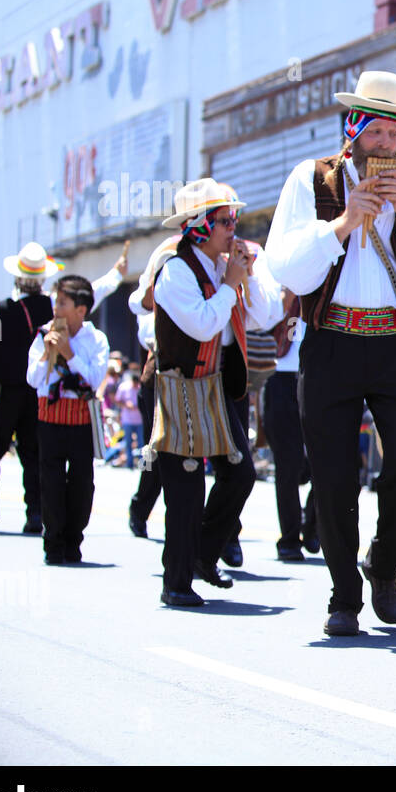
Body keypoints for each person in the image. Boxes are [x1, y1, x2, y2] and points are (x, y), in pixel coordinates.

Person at [265, 70, 396, 635]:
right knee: (333, 476)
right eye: (375, 132)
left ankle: (384, 565)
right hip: (330, 342)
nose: (385, 145)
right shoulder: (311, 179)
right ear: (352, 130)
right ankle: (343, 595)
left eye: (393, 134)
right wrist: (342, 223)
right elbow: (286, 266)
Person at [149, 179, 282, 607]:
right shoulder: (174, 269)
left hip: (224, 386)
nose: (233, 229)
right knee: (185, 489)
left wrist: (250, 273)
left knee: (240, 474)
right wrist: (230, 283)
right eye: (225, 221)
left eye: (233, 220)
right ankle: (177, 582)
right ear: (199, 225)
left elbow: (263, 316)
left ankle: (204, 556)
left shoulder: (226, 267)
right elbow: (203, 324)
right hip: (184, 387)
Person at [0, 242, 124, 530]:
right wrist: (116, 275)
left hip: (7, 389)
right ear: (42, 279)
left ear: (18, 278)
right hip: (40, 393)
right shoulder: (56, 308)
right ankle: (35, 513)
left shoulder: (0, 310)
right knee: (33, 451)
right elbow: (95, 291)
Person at [25, 275, 109, 565]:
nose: (56, 308)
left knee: (82, 485)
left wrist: (69, 354)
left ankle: (74, 540)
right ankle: (53, 543)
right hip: (49, 420)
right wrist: (48, 352)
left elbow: (94, 379)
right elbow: (33, 379)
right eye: (56, 301)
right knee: (51, 484)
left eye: (62, 303)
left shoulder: (96, 340)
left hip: (81, 422)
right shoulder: (42, 335)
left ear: (81, 310)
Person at [126, 236, 180, 540]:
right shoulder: (150, 303)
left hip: (194, 380)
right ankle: (140, 506)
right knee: (155, 451)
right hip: (157, 382)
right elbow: (148, 332)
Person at [261, 288, 320, 562]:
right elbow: (261, 324)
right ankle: (289, 538)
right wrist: (285, 297)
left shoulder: (326, 286)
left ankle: (313, 526)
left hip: (319, 380)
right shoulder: (275, 285)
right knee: (289, 466)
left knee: (329, 462)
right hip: (281, 379)